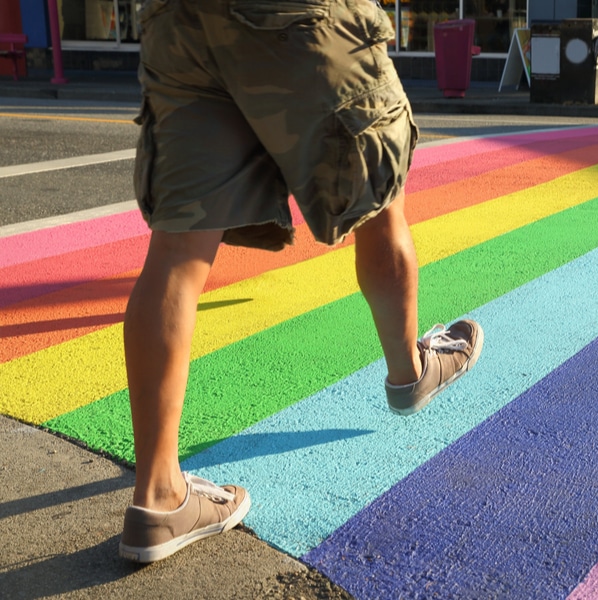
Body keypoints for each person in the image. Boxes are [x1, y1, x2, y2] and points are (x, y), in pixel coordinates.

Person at [117, 0, 483, 564]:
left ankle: (158, 498)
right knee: (380, 200)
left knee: (176, 249)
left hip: (179, 19)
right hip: (296, 14)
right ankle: (410, 373)